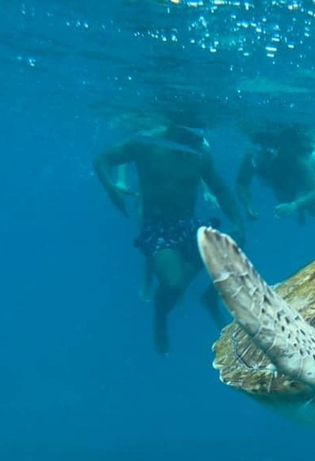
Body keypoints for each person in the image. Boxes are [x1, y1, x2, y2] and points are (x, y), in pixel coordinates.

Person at [94, 121, 246, 355]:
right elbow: (103, 159)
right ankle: (160, 314)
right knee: (173, 283)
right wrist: (111, 187)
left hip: (188, 224)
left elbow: (221, 189)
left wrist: (237, 221)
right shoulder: (145, 143)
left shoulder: (199, 153)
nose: (201, 139)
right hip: (156, 227)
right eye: (194, 135)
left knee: (232, 249)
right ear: (177, 128)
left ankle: (205, 299)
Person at [236, 123, 315, 237]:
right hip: (288, 172)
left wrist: (295, 205)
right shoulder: (254, 158)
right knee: (283, 197)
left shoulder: (298, 160)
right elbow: (241, 183)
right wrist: (247, 204)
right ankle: (300, 203)